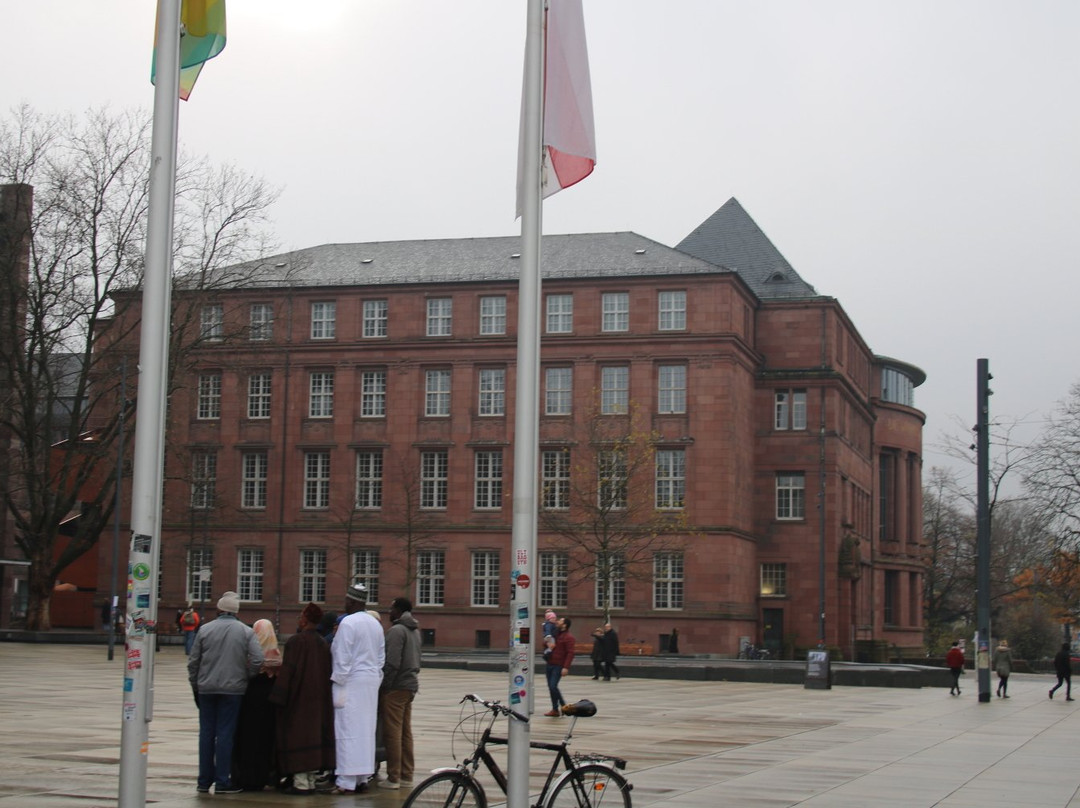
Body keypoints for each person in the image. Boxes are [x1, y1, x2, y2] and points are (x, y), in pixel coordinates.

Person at [188, 591, 265, 795]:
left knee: (206, 733)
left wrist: (195, 684)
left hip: (206, 688)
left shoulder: (204, 630)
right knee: (225, 734)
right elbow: (257, 659)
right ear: (236, 612)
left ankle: (204, 781)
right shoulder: (245, 632)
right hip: (233, 690)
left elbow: (193, 662)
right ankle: (223, 780)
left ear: (219, 609)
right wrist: (245, 676)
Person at [270, 603, 336, 795]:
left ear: (306, 619)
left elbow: (288, 671)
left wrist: (278, 696)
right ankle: (310, 780)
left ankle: (300, 783)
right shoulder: (323, 644)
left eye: (301, 616)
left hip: (298, 700)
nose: (299, 619)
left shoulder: (295, 642)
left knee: (297, 738)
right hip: (318, 701)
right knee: (314, 736)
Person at [329, 582, 385, 794]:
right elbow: (380, 658)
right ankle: (362, 776)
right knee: (365, 731)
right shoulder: (375, 624)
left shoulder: (349, 623)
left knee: (347, 729)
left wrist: (339, 681)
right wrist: (374, 679)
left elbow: (342, 655)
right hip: (370, 682)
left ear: (352, 601)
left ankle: (345, 780)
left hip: (351, 681)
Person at [232, 619, 281, 791]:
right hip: (269, 702)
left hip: (250, 699)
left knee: (248, 739)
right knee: (265, 740)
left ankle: (246, 777)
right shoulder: (276, 655)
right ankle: (264, 776)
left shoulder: (251, 655)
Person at [378, 597, 422, 790]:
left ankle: (393, 777)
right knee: (405, 732)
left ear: (398, 611)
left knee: (393, 732)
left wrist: (385, 685)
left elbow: (392, 662)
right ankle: (406, 774)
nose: (389, 612)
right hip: (410, 685)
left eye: (391, 608)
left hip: (396, 686)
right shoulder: (415, 630)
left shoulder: (396, 631)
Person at [544, 617, 575, 717]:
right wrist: (547, 643)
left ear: (565, 625)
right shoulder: (555, 634)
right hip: (550, 663)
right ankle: (555, 709)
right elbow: (545, 644)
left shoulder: (569, 637)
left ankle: (563, 706)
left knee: (553, 686)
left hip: (558, 665)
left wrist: (566, 667)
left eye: (560, 621)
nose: (557, 622)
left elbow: (570, 653)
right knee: (551, 687)